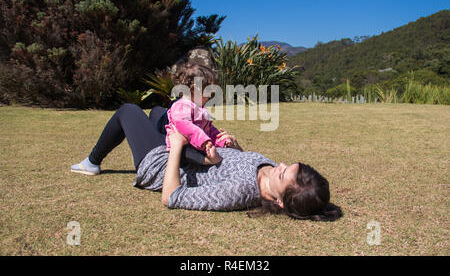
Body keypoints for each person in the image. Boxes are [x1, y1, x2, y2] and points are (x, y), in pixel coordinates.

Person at [70, 103, 342, 221]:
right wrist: (236, 147)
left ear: (280, 202)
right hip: (185, 154)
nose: (279, 166)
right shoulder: (268, 171)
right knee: (158, 112)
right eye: (288, 165)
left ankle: (92, 163)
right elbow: (241, 163)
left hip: (161, 165)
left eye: (283, 175)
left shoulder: (237, 192)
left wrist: (176, 146)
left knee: (128, 111)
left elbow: (172, 197)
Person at [159, 61, 231, 165]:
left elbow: (209, 130)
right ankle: (207, 161)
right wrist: (204, 141)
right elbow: (186, 127)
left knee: (210, 150)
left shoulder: (199, 108)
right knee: (188, 153)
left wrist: (221, 140)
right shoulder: (181, 106)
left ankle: (210, 157)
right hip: (184, 147)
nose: (209, 96)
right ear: (196, 88)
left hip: (199, 145)